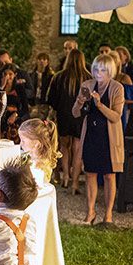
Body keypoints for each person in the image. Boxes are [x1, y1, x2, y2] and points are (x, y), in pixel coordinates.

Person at [73, 53, 125, 225]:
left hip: (108, 138)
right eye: (96, 68)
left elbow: (116, 116)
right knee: (90, 174)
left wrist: (99, 104)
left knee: (110, 176)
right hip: (91, 136)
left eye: (102, 69)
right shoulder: (87, 85)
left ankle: (108, 214)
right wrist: (80, 102)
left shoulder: (117, 88)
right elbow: (75, 113)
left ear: (110, 71)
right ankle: (90, 212)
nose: (98, 72)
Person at [47, 48, 89, 192]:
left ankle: (65, 176)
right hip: (80, 116)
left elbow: (51, 100)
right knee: (78, 149)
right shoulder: (88, 78)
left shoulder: (59, 77)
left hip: (64, 115)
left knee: (64, 147)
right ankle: (75, 183)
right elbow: (90, 101)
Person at [18, 117, 60, 187]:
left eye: (23, 141)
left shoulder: (40, 166)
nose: (20, 144)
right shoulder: (29, 157)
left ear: (36, 144)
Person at [26, 53, 53, 119]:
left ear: (47, 62)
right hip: (33, 103)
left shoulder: (51, 76)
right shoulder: (30, 75)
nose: (41, 61)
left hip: (45, 104)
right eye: (39, 59)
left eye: (44, 59)